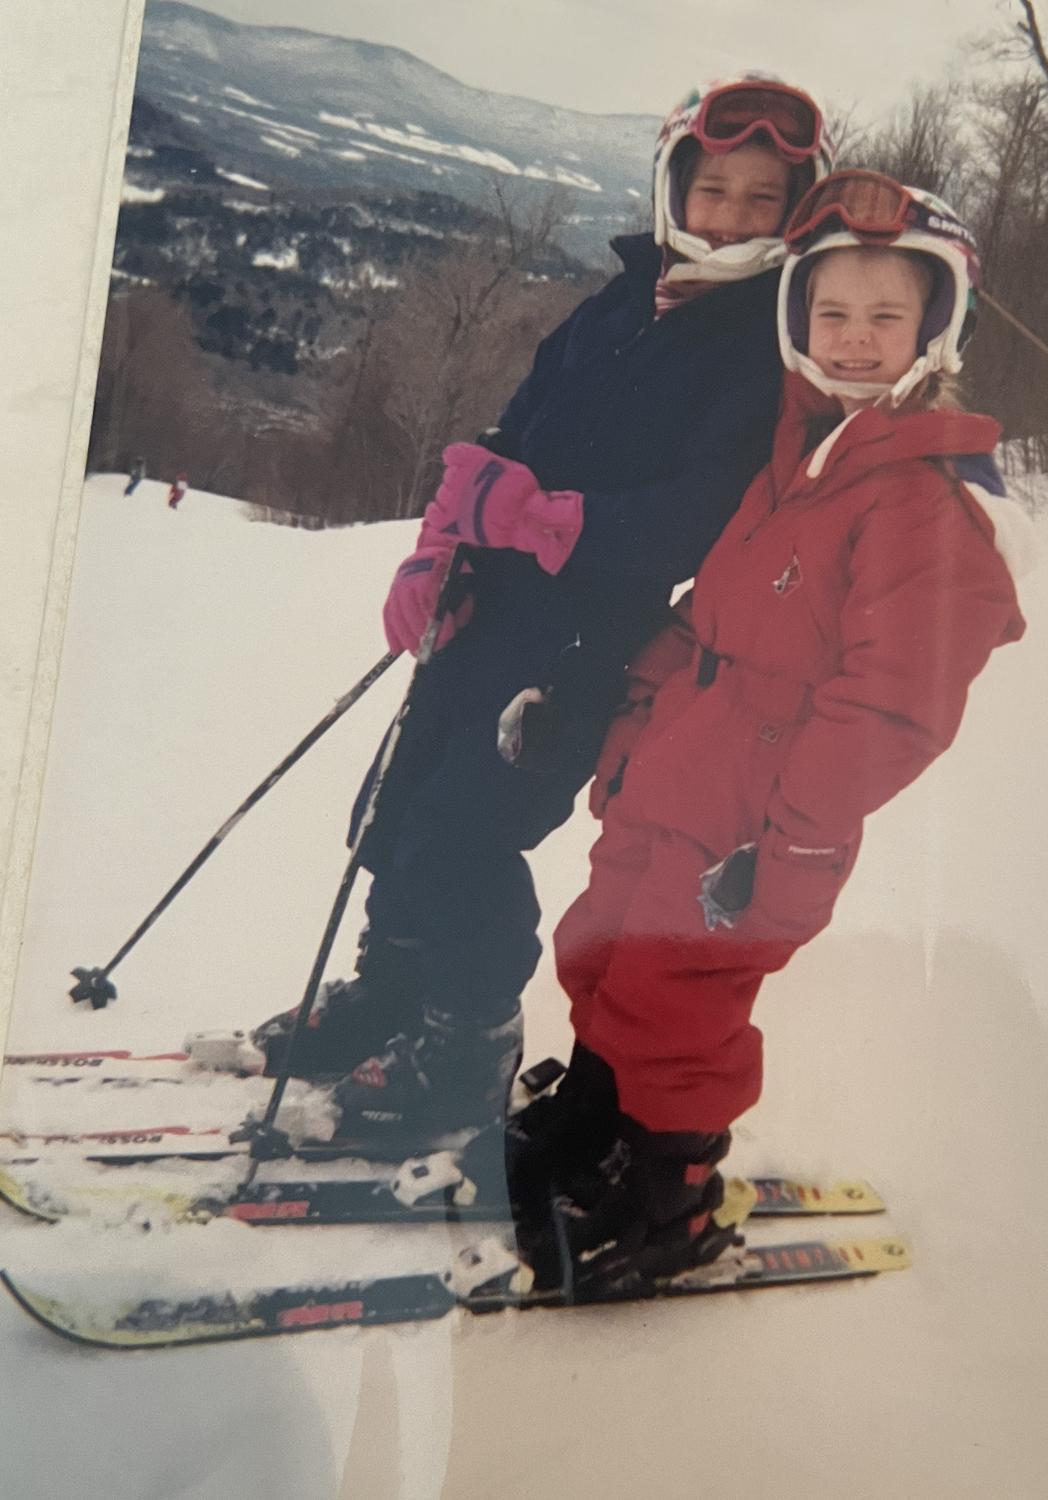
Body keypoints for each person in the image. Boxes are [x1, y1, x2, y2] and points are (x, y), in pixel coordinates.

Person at [192, 76, 838, 1142]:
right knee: (398, 802)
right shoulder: (622, 301)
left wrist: (539, 518)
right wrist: (442, 546)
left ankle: (463, 1045)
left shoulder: (757, 346)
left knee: (466, 832)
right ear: (676, 183)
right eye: (713, 186)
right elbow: (508, 433)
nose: (728, 214)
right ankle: (393, 993)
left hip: (587, 639)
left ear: (792, 210)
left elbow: (690, 523)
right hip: (490, 606)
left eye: (760, 199)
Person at [456, 170, 1036, 1298]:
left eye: (885, 317)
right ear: (796, 320)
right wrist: (617, 710)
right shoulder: (805, 451)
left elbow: (894, 707)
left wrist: (797, 843)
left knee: (680, 1000)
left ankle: (666, 1193)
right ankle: (593, 1113)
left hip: (756, 818)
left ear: (936, 326)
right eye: (832, 313)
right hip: (676, 772)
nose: (857, 340)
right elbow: (712, 617)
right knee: (608, 946)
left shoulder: (927, 500)